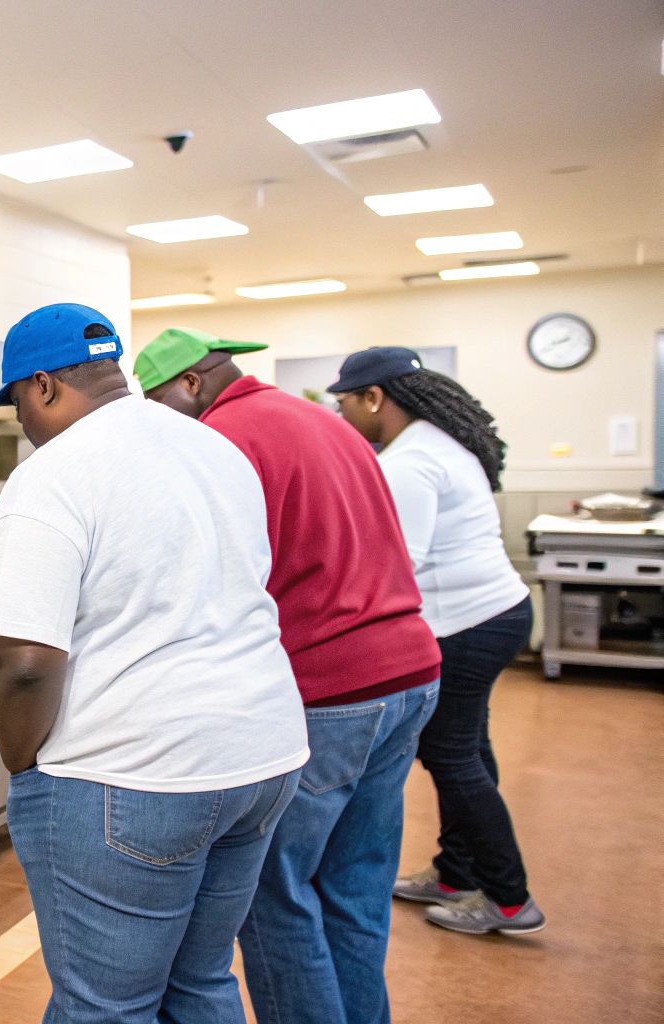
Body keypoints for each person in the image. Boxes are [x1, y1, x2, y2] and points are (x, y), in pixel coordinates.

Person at [0, 304, 309, 1024]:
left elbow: (24, 661)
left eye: (19, 406)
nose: (24, 424)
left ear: (43, 386)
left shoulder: (52, 474)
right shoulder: (215, 449)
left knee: (105, 1006)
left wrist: (23, 763)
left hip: (134, 775)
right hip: (262, 754)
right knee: (202, 980)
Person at [135, 328, 441, 1024]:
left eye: (156, 404)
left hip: (329, 692)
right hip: (409, 674)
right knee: (355, 890)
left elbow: (215, 580)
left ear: (189, 383)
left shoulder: (224, 438)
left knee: (276, 899)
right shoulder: (323, 422)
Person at [328, 346, 542, 936]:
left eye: (345, 402)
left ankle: (507, 897)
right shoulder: (440, 442)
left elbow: (403, 567)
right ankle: (455, 874)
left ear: (374, 399)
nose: (342, 415)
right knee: (468, 749)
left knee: (451, 756)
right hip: (497, 611)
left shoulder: (410, 463)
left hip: (468, 624)